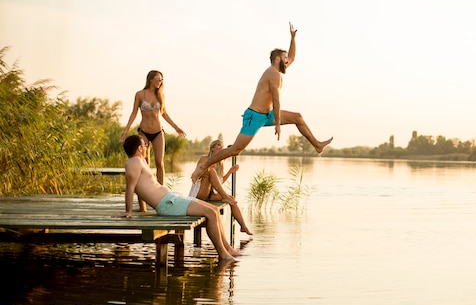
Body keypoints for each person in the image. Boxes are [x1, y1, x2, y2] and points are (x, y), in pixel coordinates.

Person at [191, 22, 332, 182]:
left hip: (266, 114)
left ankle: (317, 145)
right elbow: (277, 99)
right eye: (284, 59)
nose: (287, 61)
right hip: (255, 116)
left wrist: (292, 39)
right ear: (277, 59)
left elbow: (292, 57)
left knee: (297, 117)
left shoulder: (277, 71)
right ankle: (203, 167)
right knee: (235, 150)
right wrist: (278, 123)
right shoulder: (274, 75)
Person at [114, 135, 240, 262]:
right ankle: (223, 254)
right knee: (211, 213)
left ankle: (227, 249)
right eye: (145, 145)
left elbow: (141, 187)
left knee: (214, 210)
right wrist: (128, 211)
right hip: (167, 204)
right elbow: (130, 187)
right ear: (139, 148)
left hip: (172, 199)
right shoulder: (134, 162)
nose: (147, 147)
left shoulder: (140, 161)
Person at [120, 70, 186, 185]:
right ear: (151, 79)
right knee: (145, 162)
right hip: (143, 132)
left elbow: (164, 113)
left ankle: (161, 191)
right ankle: (148, 188)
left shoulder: (160, 95)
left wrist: (176, 127)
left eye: (161, 80)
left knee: (159, 162)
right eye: (158, 79)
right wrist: (126, 130)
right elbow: (134, 113)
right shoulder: (140, 94)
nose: (160, 82)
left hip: (158, 132)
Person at [189, 139, 253, 235]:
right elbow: (197, 175)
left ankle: (243, 226)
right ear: (212, 148)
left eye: (222, 146)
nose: (221, 147)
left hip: (210, 195)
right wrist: (207, 168)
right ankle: (225, 196)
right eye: (218, 145)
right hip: (199, 194)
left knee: (232, 199)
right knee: (211, 171)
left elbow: (219, 183)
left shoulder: (220, 164)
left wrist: (230, 171)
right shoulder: (204, 159)